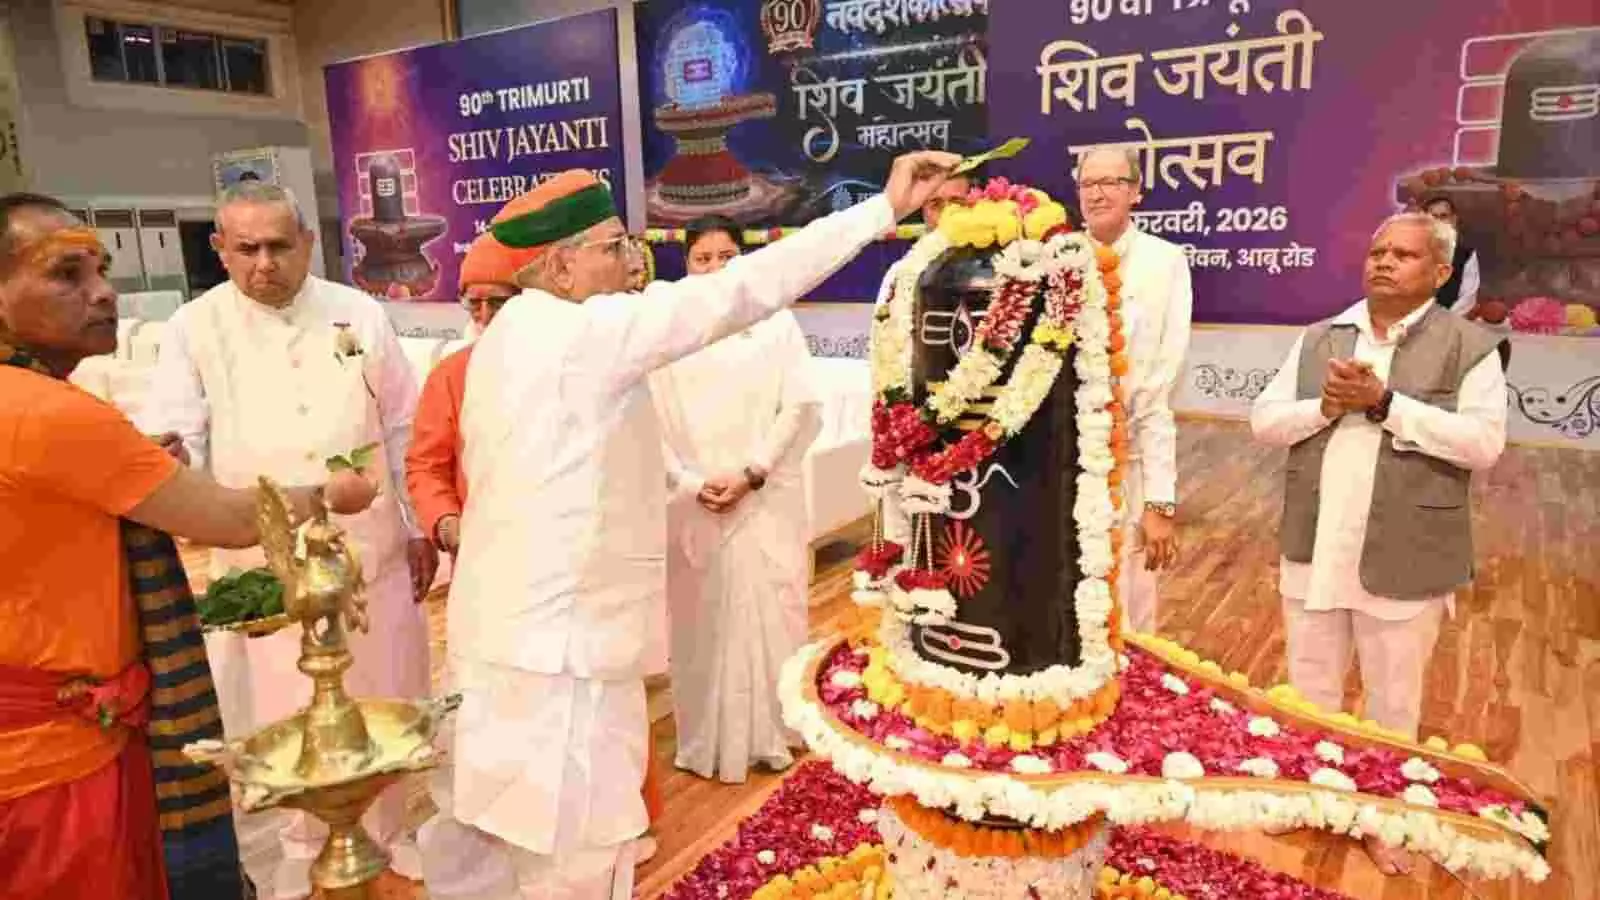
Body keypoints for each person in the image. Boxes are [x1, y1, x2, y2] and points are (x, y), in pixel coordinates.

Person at [424, 150, 958, 900]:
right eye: (614, 247)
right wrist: (882, 210)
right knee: (574, 854)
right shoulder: (582, 334)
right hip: (563, 658)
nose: (631, 262)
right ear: (561, 266)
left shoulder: (507, 338)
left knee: (503, 842)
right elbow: (742, 290)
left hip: (506, 642)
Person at [0, 192, 377, 900]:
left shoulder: (362, 312)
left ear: (306, 243)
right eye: (66, 275)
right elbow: (233, 519)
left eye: (100, 269)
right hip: (52, 767)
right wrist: (329, 494)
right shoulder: (57, 411)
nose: (102, 292)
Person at [141, 182, 437, 899]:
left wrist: (416, 522)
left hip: (368, 546)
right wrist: (175, 464)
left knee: (385, 688)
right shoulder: (194, 327)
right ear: (220, 249)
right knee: (282, 705)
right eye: (246, 249)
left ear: (308, 243)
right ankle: (303, 847)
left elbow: (403, 426)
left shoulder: (359, 311)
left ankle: (389, 830)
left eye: (280, 245)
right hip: (263, 559)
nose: (264, 263)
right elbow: (180, 436)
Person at [1250, 212, 1508, 875]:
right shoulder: (1321, 337)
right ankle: (1314, 799)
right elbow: (1264, 421)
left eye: (1404, 254)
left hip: (1405, 552)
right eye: (1378, 251)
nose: (1384, 262)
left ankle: (1384, 817)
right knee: (1310, 687)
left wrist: (1386, 403)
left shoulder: (1469, 345)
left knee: (1394, 700)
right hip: (1315, 546)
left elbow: (1484, 444)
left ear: (1441, 272)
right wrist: (1326, 408)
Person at [650, 216, 821, 784]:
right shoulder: (669, 329)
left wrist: (754, 472)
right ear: (686, 265)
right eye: (703, 258)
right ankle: (708, 739)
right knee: (702, 624)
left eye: (727, 256)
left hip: (763, 497)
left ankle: (778, 729)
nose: (716, 268)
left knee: (775, 607)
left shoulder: (774, 320)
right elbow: (647, 421)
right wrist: (688, 482)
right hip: (694, 503)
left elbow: (798, 406)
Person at [1075, 148, 1193, 634]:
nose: (1098, 193)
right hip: (1061, 463)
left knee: (1131, 607)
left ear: (1136, 192)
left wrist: (1159, 502)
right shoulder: (1056, 258)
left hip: (1131, 462)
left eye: (1112, 182)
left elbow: (1158, 393)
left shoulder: (1164, 263)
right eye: (1088, 183)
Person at [405, 232, 531, 556]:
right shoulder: (450, 375)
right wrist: (445, 519)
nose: (485, 316)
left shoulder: (559, 364)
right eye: (474, 304)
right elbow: (426, 465)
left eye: (498, 303)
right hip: (478, 552)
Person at [1422, 196, 1480, 317]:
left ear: (1453, 219)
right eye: (1434, 217)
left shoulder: (1466, 253)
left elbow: (1468, 297)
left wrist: (1445, 319)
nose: (1439, 221)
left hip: (1451, 320)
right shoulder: (1411, 250)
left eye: (1443, 216)